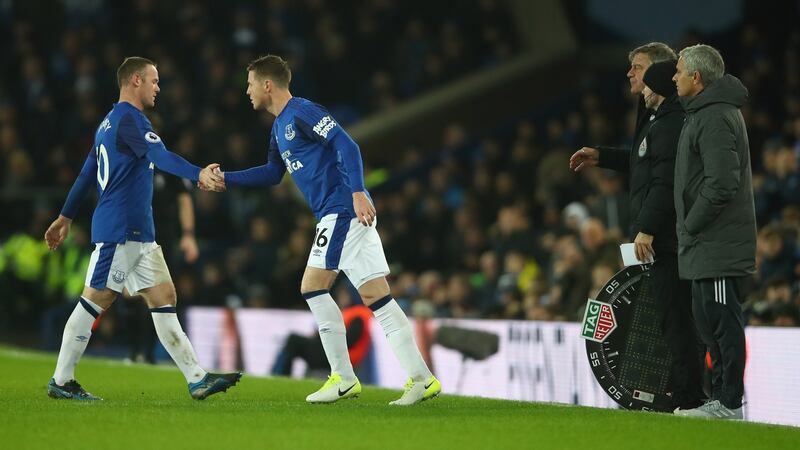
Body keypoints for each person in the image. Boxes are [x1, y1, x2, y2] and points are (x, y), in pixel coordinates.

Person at [212, 54, 440, 405]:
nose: (247, 91)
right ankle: (422, 378)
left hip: (342, 210)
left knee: (312, 286)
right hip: (341, 212)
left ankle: (343, 377)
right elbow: (273, 174)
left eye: (250, 83)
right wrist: (227, 178)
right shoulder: (278, 127)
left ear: (267, 85)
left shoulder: (302, 111)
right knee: (377, 297)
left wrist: (358, 191)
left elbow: (346, 144)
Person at [44, 56, 241, 401]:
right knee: (95, 300)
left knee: (164, 297)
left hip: (141, 234)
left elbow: (86, 174)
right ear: (135, 80)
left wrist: (65, 216)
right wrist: (198, 174)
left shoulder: (108, 122)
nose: (158, 88)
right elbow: (161, 157)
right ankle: (61, 380)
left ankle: (197, 378)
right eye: (154, 81)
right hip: (119, 231)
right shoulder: (129, 120)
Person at [570, 46, 706, 410]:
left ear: (661, 72)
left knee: (677, 320)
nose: (632, 74)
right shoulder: (654, 115)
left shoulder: (672, 118)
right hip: (663, 236)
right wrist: (602, 156)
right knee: (669, 319)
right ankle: (686, 397)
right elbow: (644, 160)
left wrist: (646, 227)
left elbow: (664, 180)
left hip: (669, 237)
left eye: (639, 68)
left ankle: (692, 400)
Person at [671, 44, 756, 420]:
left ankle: (730, 402)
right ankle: (721, 399)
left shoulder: (716, 116)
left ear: (696, 77)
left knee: (722, 322)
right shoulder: (703, 114)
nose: (673, 77)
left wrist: (690, 224)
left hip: (717, 240)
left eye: (678, 71)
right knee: (709, 323)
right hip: (706, 243)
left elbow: (722, 183)